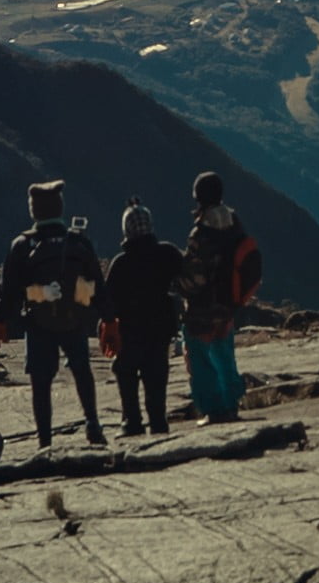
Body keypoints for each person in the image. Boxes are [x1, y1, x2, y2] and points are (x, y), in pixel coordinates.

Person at [0, 181, 105, 446]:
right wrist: (109, 318)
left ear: (34, 211)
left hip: (37, 322)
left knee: (41, 382)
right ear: (60, 208)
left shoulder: (23, 244)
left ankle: (45, 440)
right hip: (75, 318)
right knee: (82, 370)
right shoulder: (78, 241)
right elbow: (97, 284)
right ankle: (93, 423)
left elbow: (8, 289)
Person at [179, 170, 262, 425]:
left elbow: (194, 280)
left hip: (201, 309)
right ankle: (231, 404)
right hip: (228, 306)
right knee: (224, 355)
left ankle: (213, 410)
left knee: (200, 358)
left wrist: (177, 281)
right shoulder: (234, 225)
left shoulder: (201, 234)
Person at [100, 200, 187, 438]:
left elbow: (108, 300)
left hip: (129, 332)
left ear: (126, 230)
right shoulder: (167, 253)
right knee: (156, 376)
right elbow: (188, 280)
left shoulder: (121, 263)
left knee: (126, 373)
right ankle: (158, 422)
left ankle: (131, 422)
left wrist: (107, 326)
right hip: (160, 330)